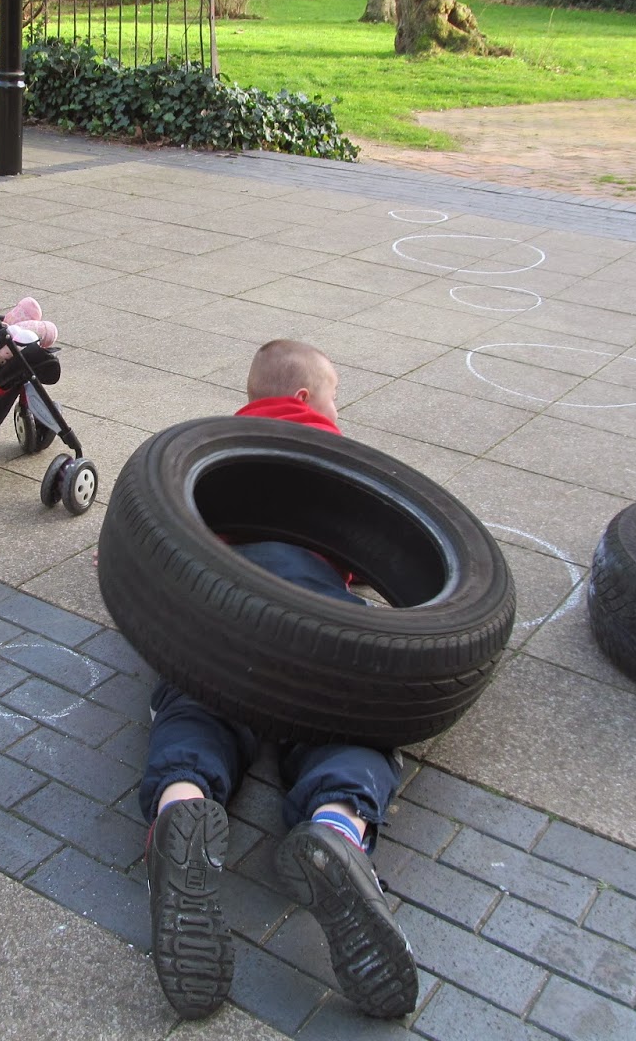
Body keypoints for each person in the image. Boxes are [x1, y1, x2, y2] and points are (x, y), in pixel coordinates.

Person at [140, 338, 422, 1022]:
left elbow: (154, 539)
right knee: (345, 720)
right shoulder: (337, 458)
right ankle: (338, 826)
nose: (337, 409)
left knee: (196, 707)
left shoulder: (208, 453)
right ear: (306, 399)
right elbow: (366, 556)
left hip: (221, 614)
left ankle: (180, 804)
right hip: (310, 619)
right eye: (335, 396)